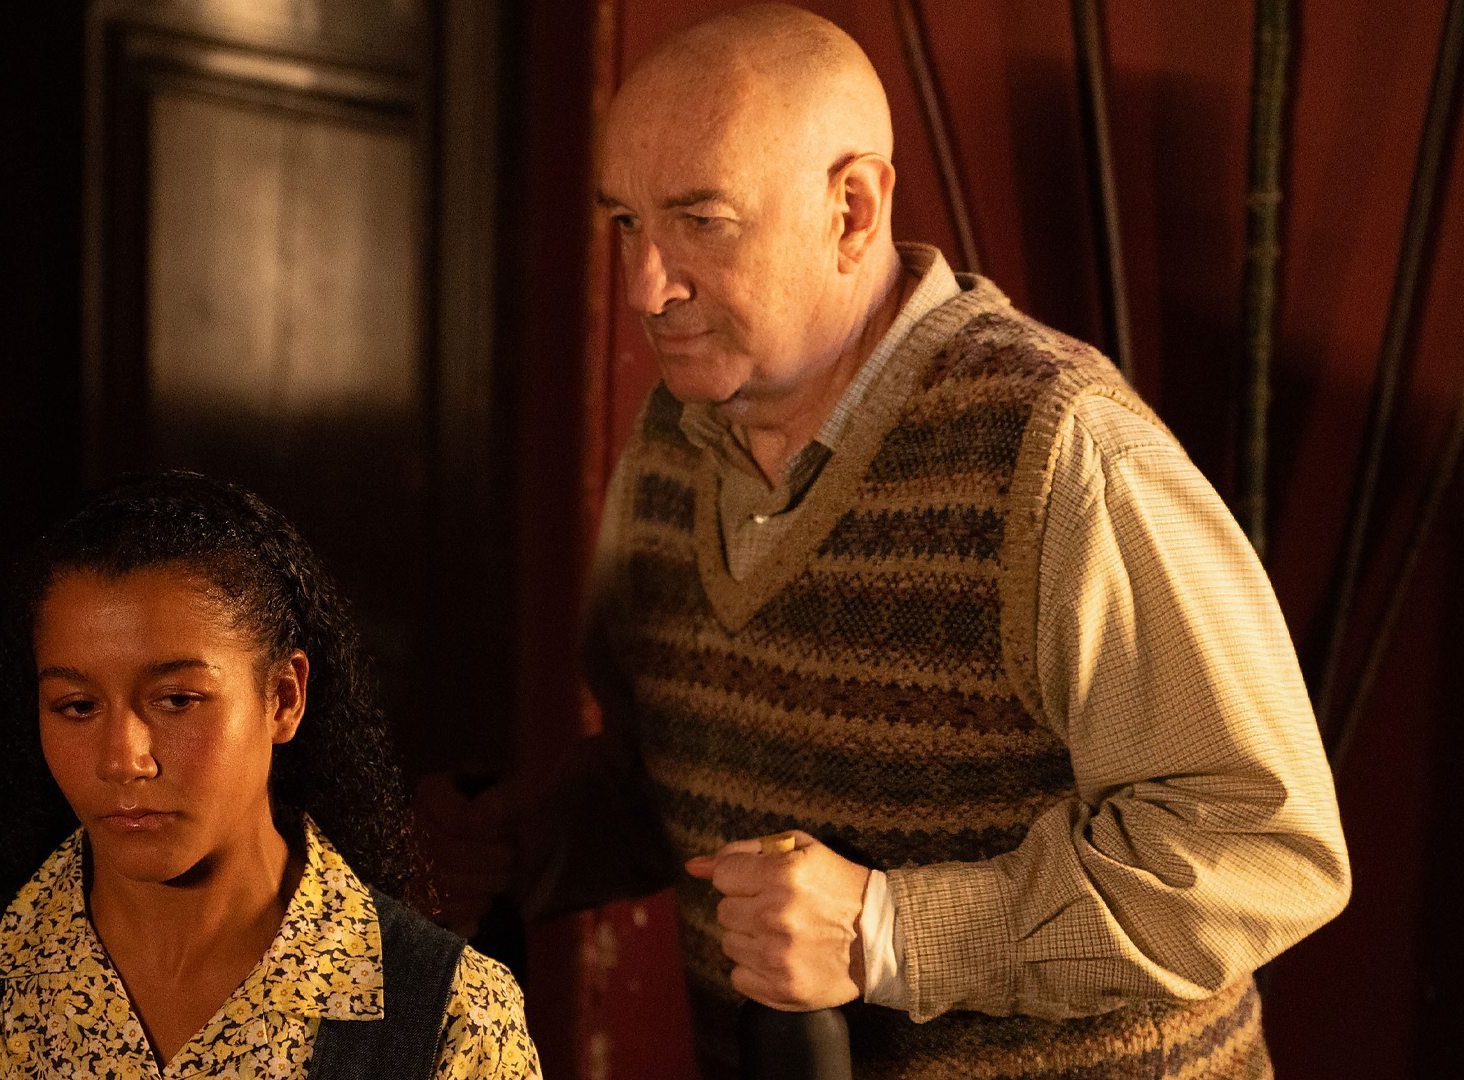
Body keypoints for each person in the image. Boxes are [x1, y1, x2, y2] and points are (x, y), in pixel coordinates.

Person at [422, 5, 1349, 1077]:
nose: (646, 285)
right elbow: (673, 781)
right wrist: (524, 848)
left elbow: (1261, 849)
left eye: (702, 221)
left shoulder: (1058, 447)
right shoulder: (674, 441)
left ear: (853, 210)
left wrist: (889, 932)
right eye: (626, 221)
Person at [0, 471, 541, 1079]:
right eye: (76, 706)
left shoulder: (449, 1018)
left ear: (284, 697)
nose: (123, 759)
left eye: (177, 701)